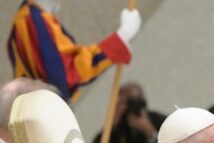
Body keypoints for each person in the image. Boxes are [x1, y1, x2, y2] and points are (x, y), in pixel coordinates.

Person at [7, 0, 141, 101]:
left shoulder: (39, 18)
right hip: (41, 117)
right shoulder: (29, 20)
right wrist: (121, 37)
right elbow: (67, 74)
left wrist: (120, 40)